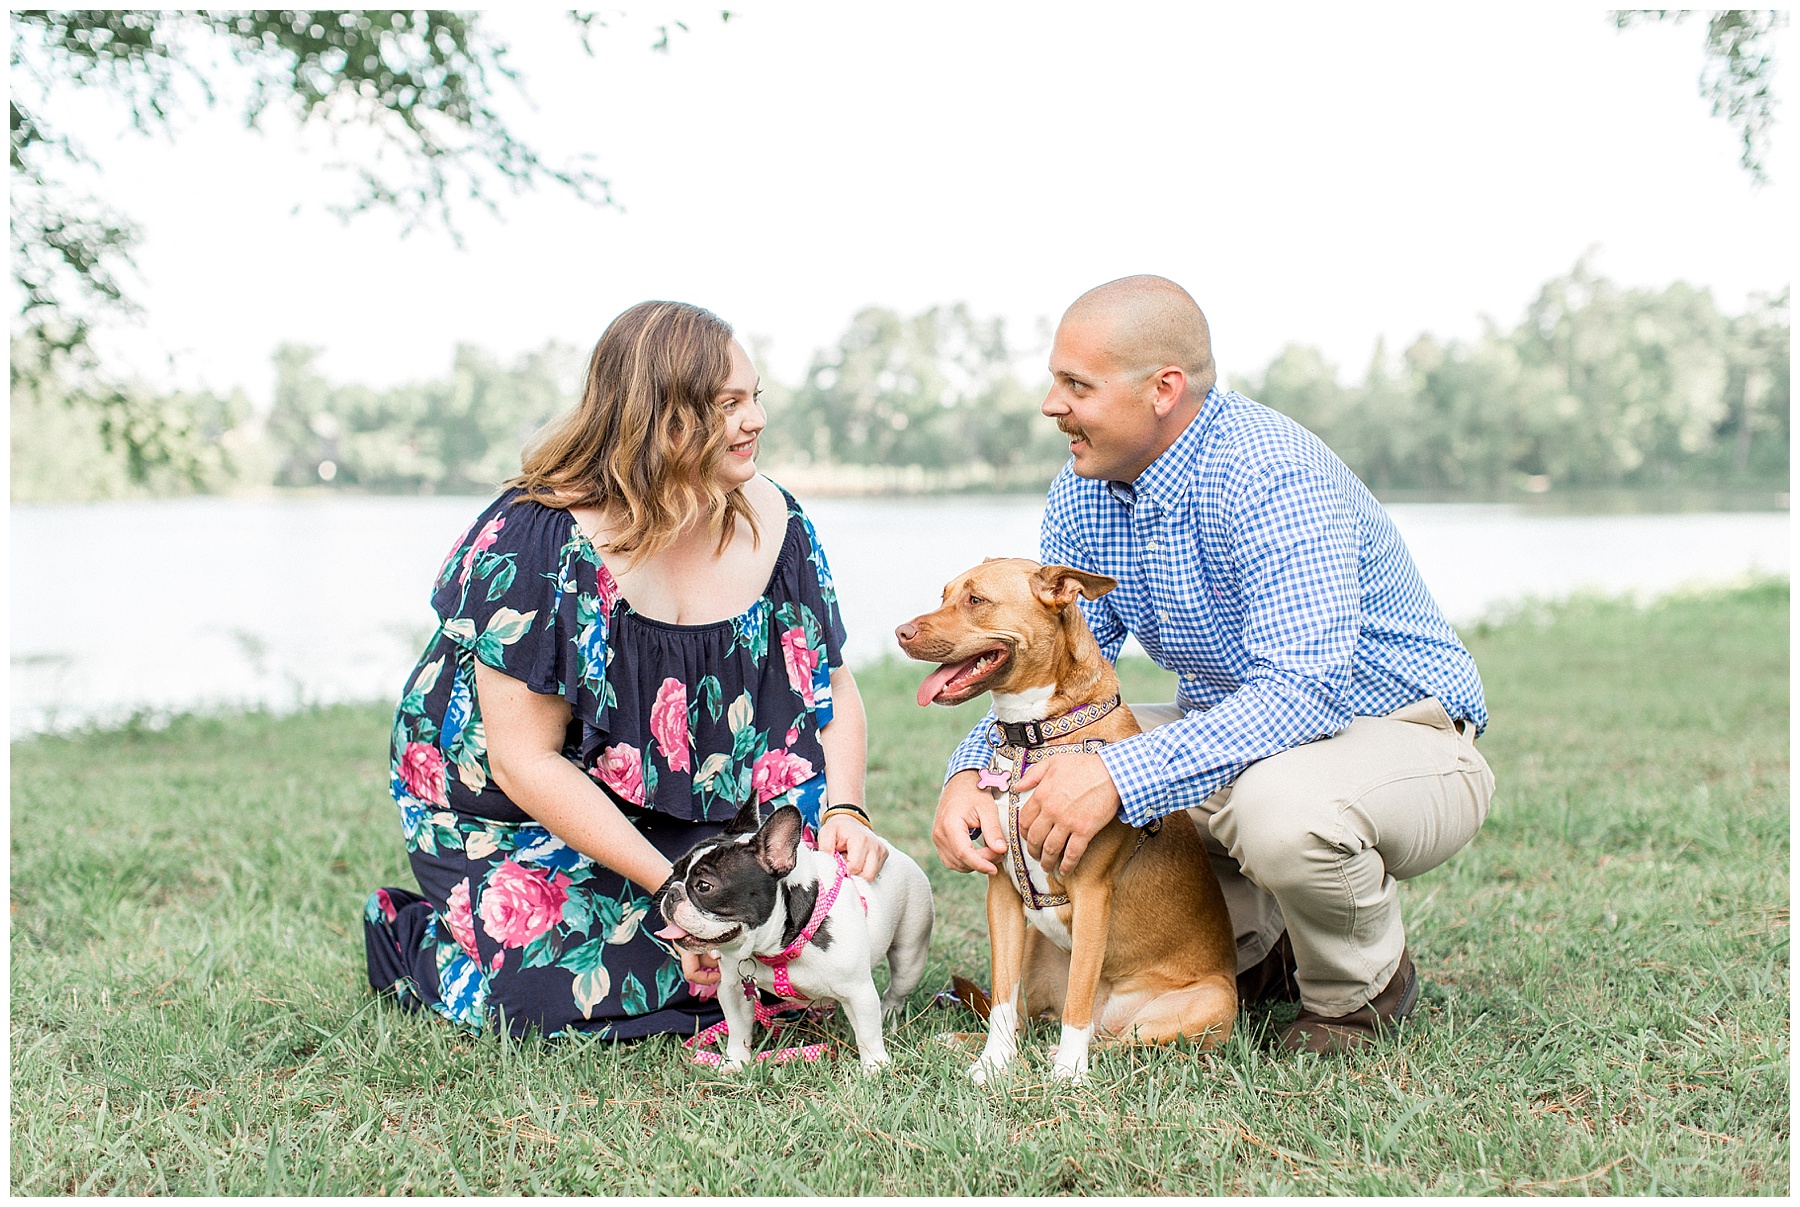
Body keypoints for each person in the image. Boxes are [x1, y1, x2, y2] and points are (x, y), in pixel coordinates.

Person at [932, 276, 1496, 1054]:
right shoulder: (1086, 488)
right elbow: (1054, 669)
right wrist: (974, 772)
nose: (1050, 404)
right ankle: (1252, 958)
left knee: (1277, 811)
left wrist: (1119, 774)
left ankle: (1359, 991)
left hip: (1403, 731)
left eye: (1075, 384)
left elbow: (1304, 694)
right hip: (1239, 729)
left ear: (1163, 389)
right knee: (1045, 772)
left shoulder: (1270, 474)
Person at [365, 300, 887, 1040]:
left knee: (790, 955)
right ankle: (419, 937)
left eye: (755, 397)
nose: (755, 420)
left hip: (689, 799)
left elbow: (830, 687)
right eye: (727, 404)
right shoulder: (539, 539)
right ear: (660, 418)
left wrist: (846, 808)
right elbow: (523, 759)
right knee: (559, 998)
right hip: (519, 812)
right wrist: (675, 896)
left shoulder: (777, 521)